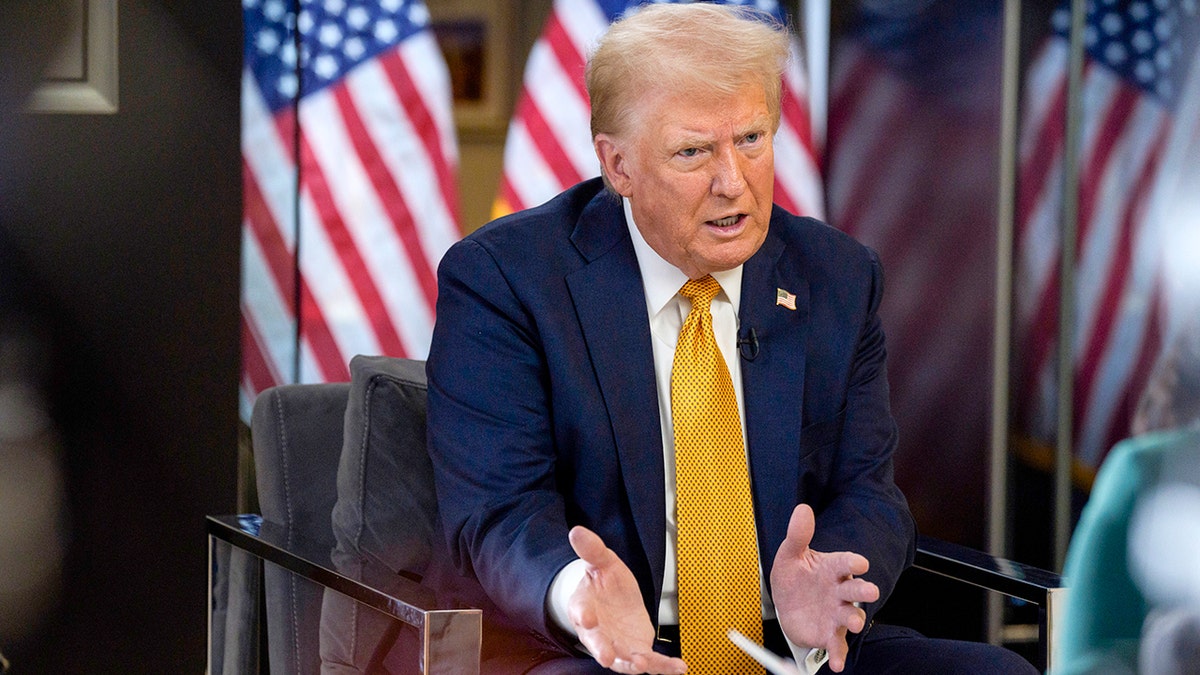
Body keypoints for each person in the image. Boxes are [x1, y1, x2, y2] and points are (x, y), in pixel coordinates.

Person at [425, 4, 1036, 673]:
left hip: (792, 646)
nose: (733, 181)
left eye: (751, 139)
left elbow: (869, 489)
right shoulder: (507, 279)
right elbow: (500, 511)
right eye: (693, 151)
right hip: (608, 652)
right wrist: (577, 595)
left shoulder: (835, 276)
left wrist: (832, 575)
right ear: (618, 165)